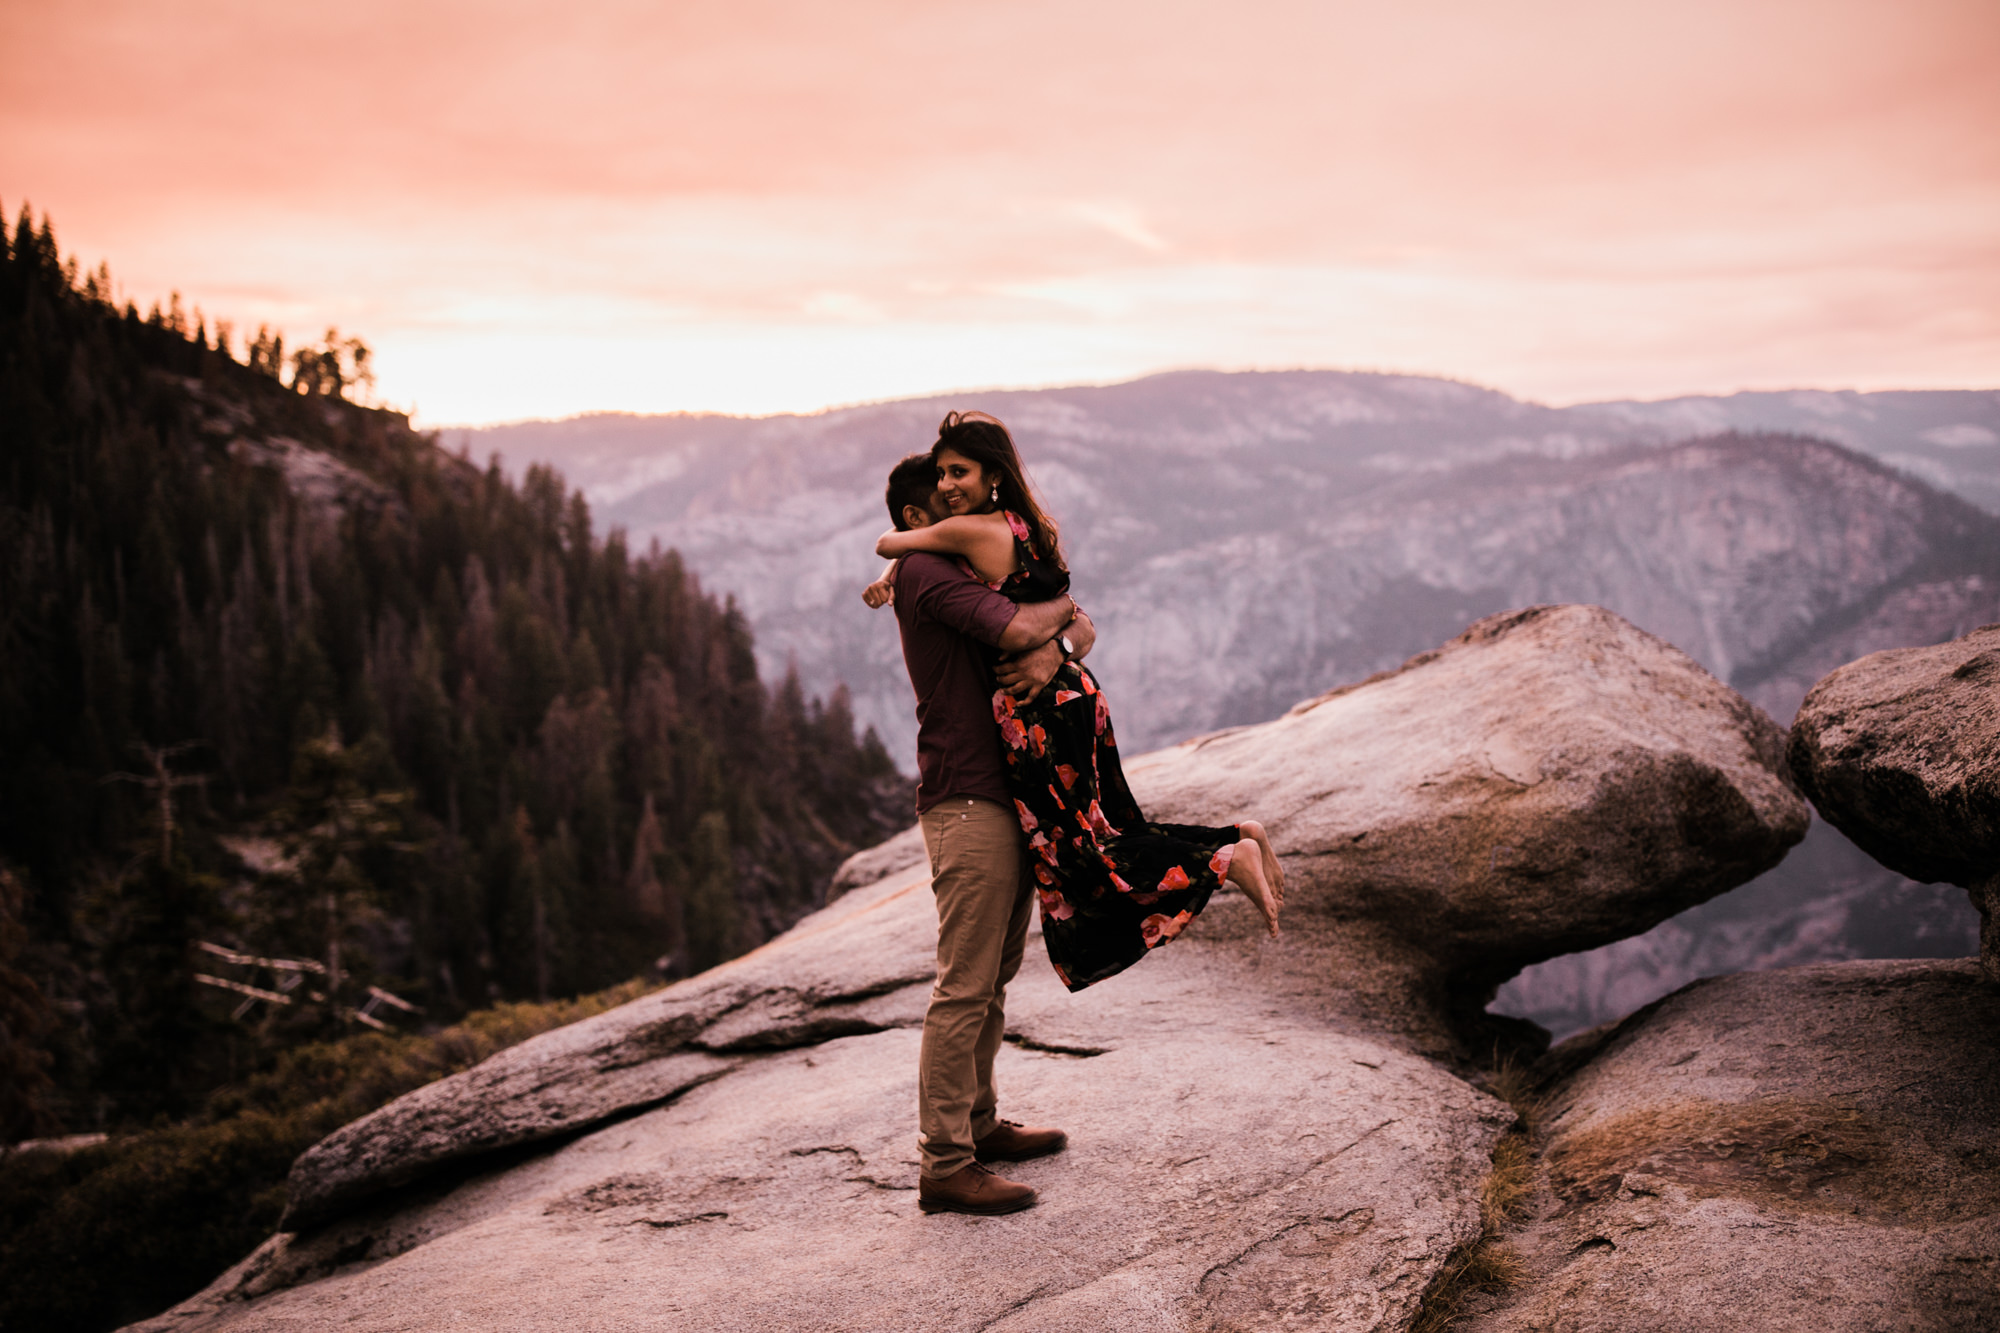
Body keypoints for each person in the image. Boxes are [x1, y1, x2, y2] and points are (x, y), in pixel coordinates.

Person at [868, 414, 1283, 998]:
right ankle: (1231, 838)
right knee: (1113, 827)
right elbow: (1072, 613)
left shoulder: (963, 537)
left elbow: (902, 546)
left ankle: (1224, 860)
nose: (945, 487)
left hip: (1040, 715)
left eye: (956, 473)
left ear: (991, 475)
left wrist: (895, 562)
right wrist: (1063, 631)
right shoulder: (1025, 526)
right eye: (940, 477)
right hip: (1078, 694)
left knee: (1082, 853)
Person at [872, 451, 1085, 1217]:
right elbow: (1031, 622)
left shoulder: (946, 570)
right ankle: (945, 1164)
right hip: (968, 799)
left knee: (990, 978)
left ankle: (980, 1123)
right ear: (917, 521)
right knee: (962, 985)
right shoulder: (930, 576)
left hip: (999, 793)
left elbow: (1059, 628)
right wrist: (1066, 618)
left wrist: (1067, 629)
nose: (966, 514)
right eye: (947, 503)